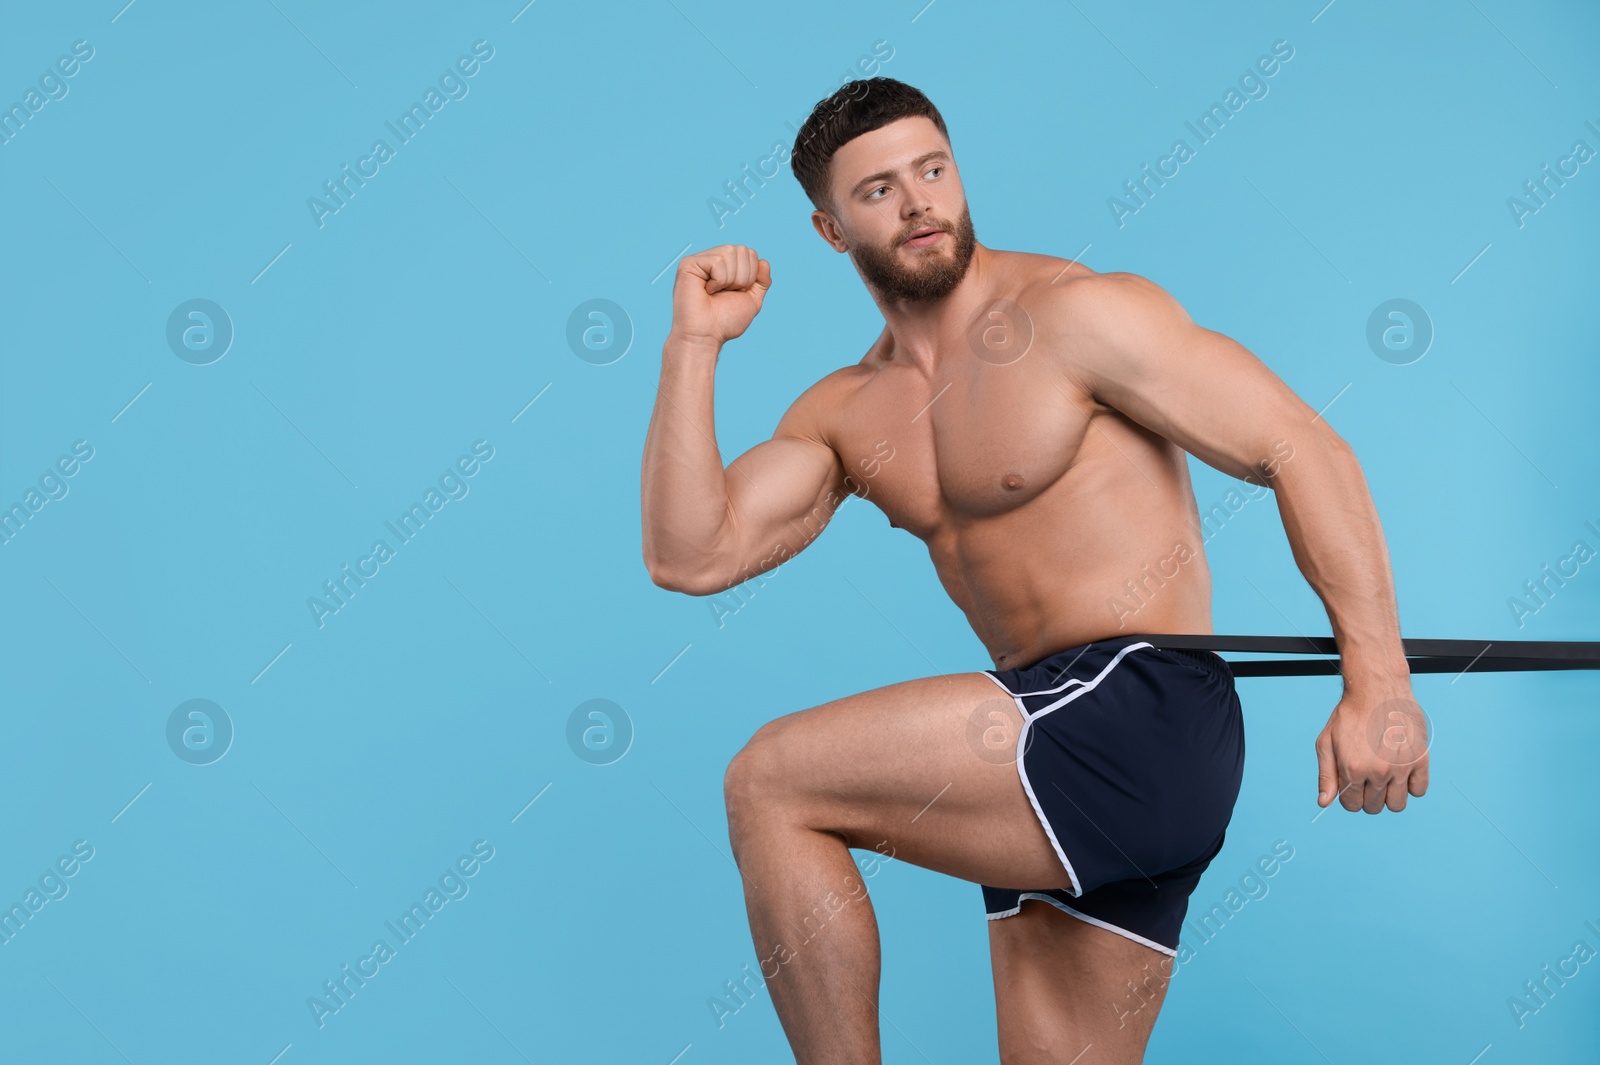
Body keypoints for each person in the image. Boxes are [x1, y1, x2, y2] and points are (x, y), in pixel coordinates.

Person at [639, 76, 1429, 1064]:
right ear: (830, 231)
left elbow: (1299, 447)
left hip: (1134, 711)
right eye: (879, 189)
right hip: (1033, 740)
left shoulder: (1077, 316)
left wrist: (1380, 679)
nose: (920, 201)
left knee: (771, 781)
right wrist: (693, 347)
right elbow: (690, 554)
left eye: (933, 169)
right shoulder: (846, 411)